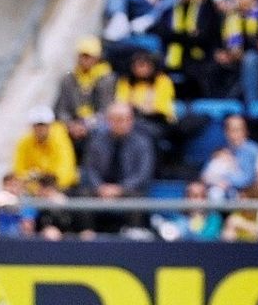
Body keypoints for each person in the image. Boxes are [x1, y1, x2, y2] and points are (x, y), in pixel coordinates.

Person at [81, 102, 158, 231]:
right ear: (108, 121)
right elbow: (89, 169)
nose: (123, 123)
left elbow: (143, 174)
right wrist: (100, 188)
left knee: (137, 199)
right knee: (82, 196)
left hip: (128, 190)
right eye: (118, 120)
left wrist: (120, 189)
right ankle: (87, 234)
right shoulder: (96, 141)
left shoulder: (143, 143)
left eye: (126, 119)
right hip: (100, 189)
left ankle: (133, 234)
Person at [55, 35, 118, 150]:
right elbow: (61, 108)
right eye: (81, 56)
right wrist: (70, 124)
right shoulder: (69, 78)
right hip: (73, 123)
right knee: (56, 132)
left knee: (102, 132)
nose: (84, 60)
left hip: (97, 123)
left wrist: (86, 125)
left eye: (88, 56)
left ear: (97, 58)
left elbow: (105, 109)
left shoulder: (106, 78)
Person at [12, 105, 78, 191]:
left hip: (58, 189)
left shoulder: (59, 139)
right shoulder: (24, 143)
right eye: (37, 125)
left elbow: (66, 171)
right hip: (33, 192)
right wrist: (36, 187)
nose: (40, 129)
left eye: (43, 125)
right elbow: (19, 172)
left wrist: (49, 187)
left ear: (50, 125)